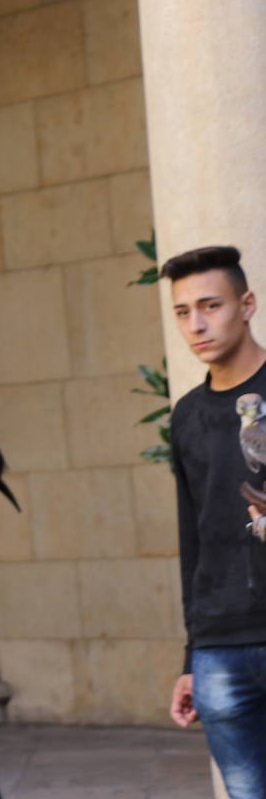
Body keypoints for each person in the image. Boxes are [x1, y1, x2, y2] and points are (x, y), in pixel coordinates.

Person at [161, 245, 266, 797]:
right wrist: (192, 658)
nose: (196, 325)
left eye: (211, 305)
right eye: (182, 312)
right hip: (219, 649)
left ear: (246, 305)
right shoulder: (186, 416)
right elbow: (193, 537)